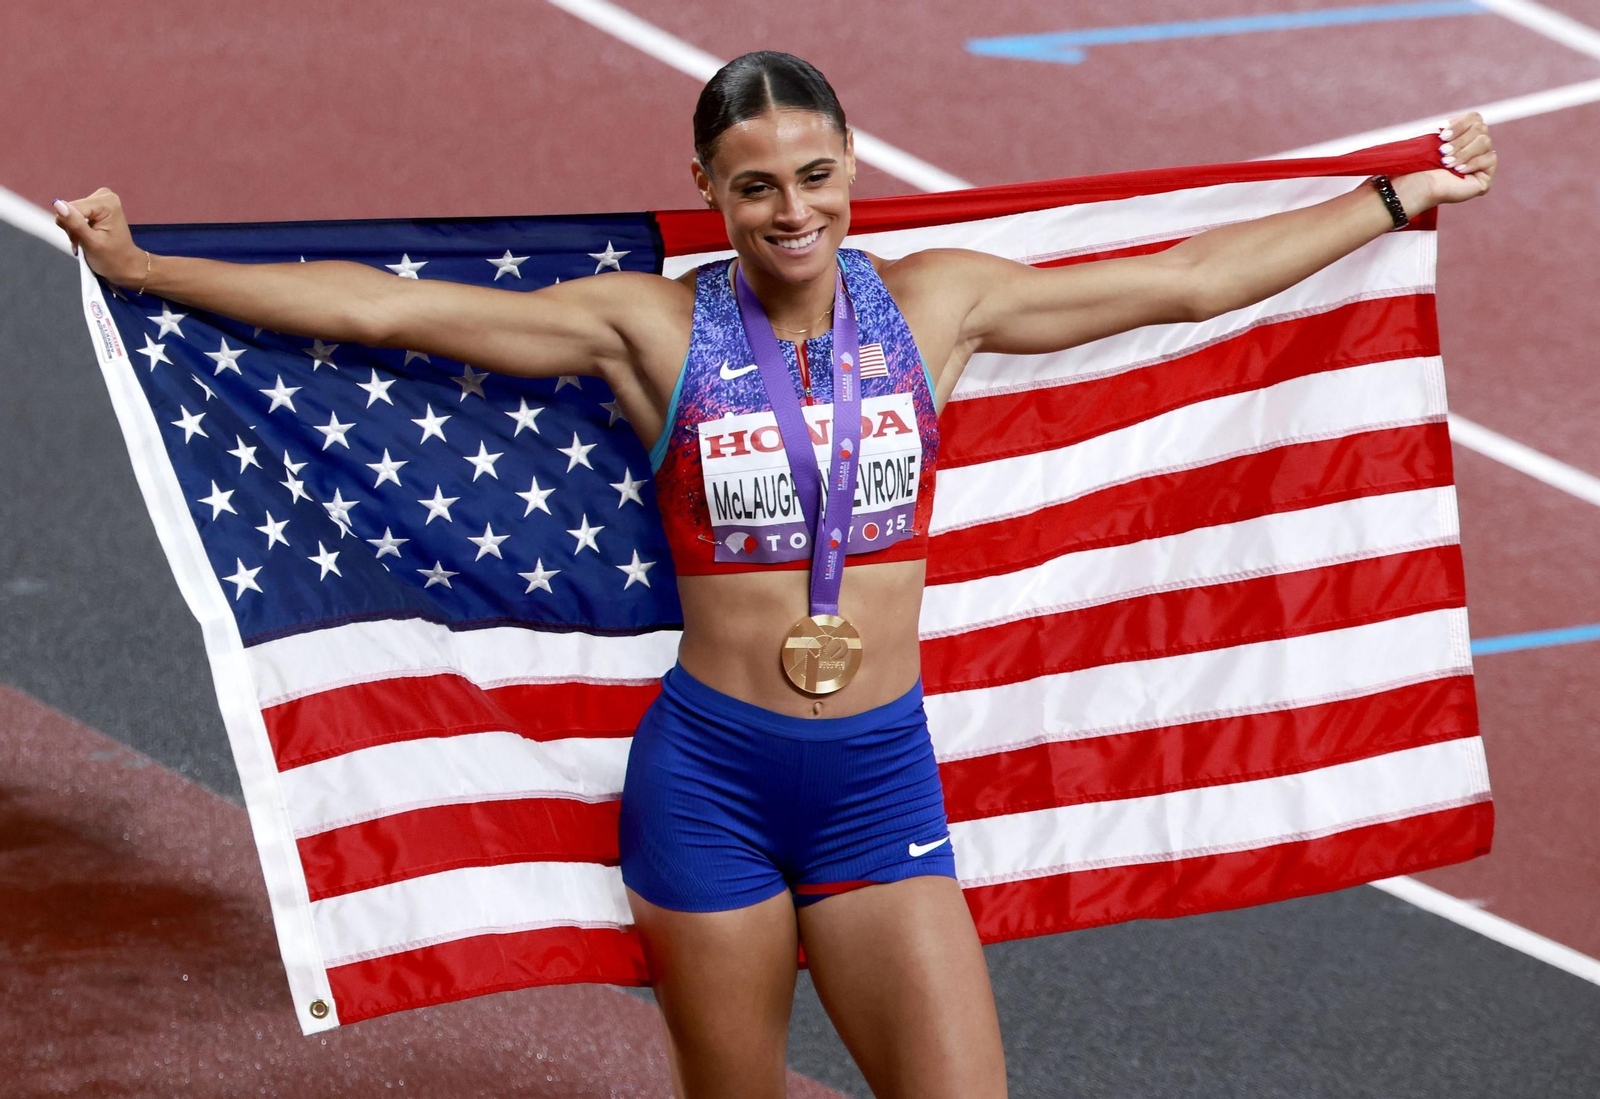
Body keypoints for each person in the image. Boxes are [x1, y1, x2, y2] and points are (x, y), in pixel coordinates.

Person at [54, 50, 1495, 1099]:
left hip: (876, 778)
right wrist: (153, 271)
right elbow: (393, 309)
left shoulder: (942, 304)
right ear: (708, 189)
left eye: (815, 177)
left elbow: (1187, 284)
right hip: (712, 780)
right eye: (755, 187)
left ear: (851, 169)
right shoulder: (650, 331)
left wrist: (1388, 197)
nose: (791, 210)